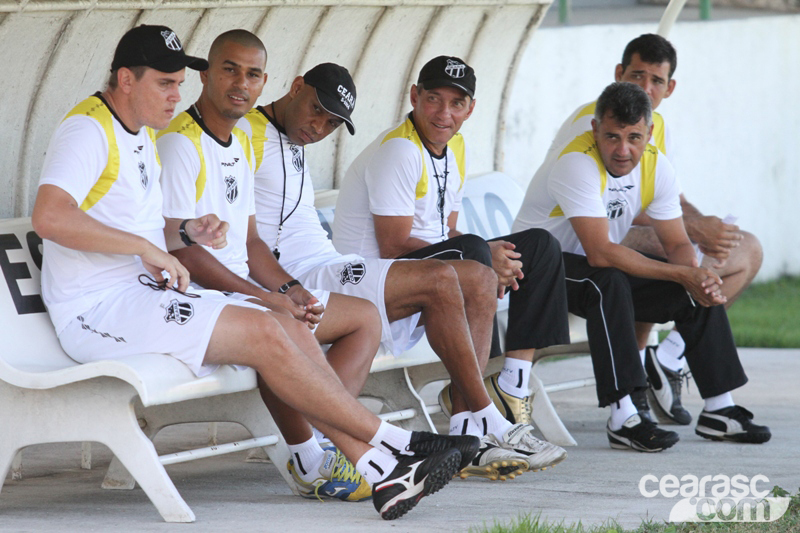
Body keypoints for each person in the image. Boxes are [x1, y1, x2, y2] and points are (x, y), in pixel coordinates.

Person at [31, 24, 478, 521]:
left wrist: (187, 233)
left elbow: (154, 229)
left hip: (141, 295)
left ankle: (377, 469)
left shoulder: (138, 134)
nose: (177, 95)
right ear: (126, 80)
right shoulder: (88, 128)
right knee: (270, 327)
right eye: (166, 84)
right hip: (96, 310)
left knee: (287, 322)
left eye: (180, 83)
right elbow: (50, 217)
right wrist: (151, 248)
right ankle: (398, 442)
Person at [238, 60, 562, 480]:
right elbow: (243, 240)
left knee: (479, 274)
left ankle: (469, 429)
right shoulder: (246, 135)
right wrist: (278, 289)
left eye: (332, 123)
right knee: (456, 270)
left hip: (332, 266)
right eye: (317, 110)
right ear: (295, 87)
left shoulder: (295, 142)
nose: (320, 127)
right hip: (307, 277)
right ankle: (488, 418)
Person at [157, 29, 385, 502]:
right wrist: (266, 298)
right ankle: (321, 453)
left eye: (253, 74)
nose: (242, 83)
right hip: (197, 296)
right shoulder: (181, 142)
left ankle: (328, 447)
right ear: (205, 73)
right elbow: (181, 251)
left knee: (362, 317)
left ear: (265, 82)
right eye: (230, 69)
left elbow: (251, 241)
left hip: (242, 291)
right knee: (282, 325)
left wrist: (288, 290)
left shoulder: (237, 144)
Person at [331, 56, 569, 469]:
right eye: (434, 100)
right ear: (414, 97)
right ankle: (473, 421)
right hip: (374, 281)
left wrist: (496, 256)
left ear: (470, 108)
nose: (444, 114)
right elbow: (393, 245)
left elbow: (448, 229)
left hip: (431, 266)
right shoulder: (400, 151)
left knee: (541, 247)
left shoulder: (455, 146)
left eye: (456, 104)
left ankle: (510, 387)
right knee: (477, 254)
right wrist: (484, 256)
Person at [517, 33, 763, 426]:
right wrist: (684, 268)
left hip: (596, 254)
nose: (622, 147)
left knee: (701, 278)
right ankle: (627, 412)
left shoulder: (654, 150)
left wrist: (694, 273)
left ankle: (718, 406)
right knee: (612, 278)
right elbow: (600, 248)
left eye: (633, 137)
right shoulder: (582, 150)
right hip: (547, 263)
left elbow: (675, 234)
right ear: (598, 129)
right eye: (613, 136)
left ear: (648, 134)